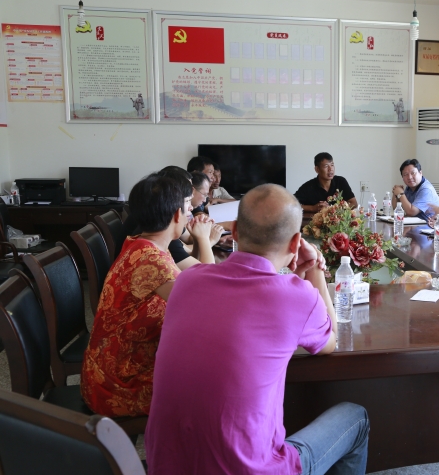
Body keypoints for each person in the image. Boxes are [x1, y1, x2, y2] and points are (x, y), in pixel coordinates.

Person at [146, 184, 369, 474]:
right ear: (296, 242)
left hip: (165, 467)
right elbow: (331, 341)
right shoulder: (296, 297)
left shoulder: (187, 281)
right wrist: (314, 270)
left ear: (236, 231)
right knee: (356, 417)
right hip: (253, 469)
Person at [81, 173, 197, 417]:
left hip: (107, 370)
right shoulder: (151, 260)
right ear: (177, 215)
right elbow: (198, 305)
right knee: (206, 382)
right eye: (187, 207)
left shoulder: (140, 243)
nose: (190, 212)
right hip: (117, 385)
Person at [119, 167, 221, 269]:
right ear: (176, 211)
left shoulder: (150, 240)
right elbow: (207, 276)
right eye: (187, 200)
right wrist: (205, 239)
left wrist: (199, 238)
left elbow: (191, 262)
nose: (190, 207)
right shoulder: (158, 260)